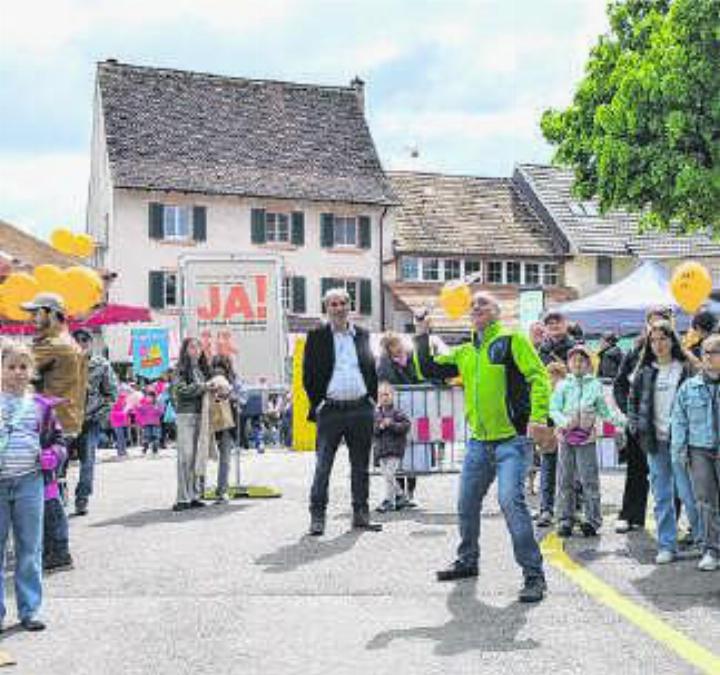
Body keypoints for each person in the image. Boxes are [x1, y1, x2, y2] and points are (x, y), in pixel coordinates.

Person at [416, 291, 551, 603]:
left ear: (497, 312)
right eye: (473, 304)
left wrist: (538, 417)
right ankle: (468, 560)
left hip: (512, 441)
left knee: (510, 502)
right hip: (479, 443)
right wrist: (422, 334)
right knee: (466, 502)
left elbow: (538, 377)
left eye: (483, 303)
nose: (476, 306)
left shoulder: (512, 341)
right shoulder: (465, 352)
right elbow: (428, 369)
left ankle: (534, 575)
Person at [303, 287, 380, 536]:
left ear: (349, 306)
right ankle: (317, 517)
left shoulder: (363, 335)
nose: (338, 308)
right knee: (323, 466)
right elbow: (308, 375)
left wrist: (371, 400)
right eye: (333, 304)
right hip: (331, 410)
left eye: (342, 303)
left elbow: (370, 368)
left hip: (361, 408)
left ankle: (361, 514)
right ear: (327, 309)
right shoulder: (316, 336)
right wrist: (318, 404)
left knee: (361, 467)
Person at [0, 342, 66, 631]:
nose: (17, 372)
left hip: (30, 481)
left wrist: (53, 455)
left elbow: (59, 442)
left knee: (29, 548)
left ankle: (29, 610)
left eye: (23, 367)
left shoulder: (41, 406)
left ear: (32, 371)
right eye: (11, 366)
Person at [20, 293, 86, 572]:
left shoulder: (54, 345)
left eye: (36, 312)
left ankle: (58, 550)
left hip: (50, 425)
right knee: (50, 486)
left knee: (45, 489)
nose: (32, 318)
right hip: (63, 422)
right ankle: (51, 547)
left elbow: (16, 364)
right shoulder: (65, 341)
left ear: (52, 313)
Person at [627, 320, 700, 564]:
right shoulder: (645, 372)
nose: (658, 344)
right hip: (654, 443)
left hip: (683, 443)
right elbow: (633, 403)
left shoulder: (687, 369)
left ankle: (705, 541)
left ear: (672, 340)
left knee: (689, 494)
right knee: (662, 496)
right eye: (653, 340)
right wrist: (636, 428)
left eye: (663, 339)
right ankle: (667, 545)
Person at [550, 344, 626, 537]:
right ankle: (565, 519)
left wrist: (624, 422)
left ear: (589, 364)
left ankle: (593, 520)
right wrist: (565, 422)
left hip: (587, 439)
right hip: (565, 438)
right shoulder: (562, 385)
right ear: (568, 363)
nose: (577, 363)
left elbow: (605, 412)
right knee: (565, 479)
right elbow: (554, 410)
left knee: (589, 480)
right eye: (574, 360)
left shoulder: (595, 386)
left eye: (582, 360)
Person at [612, 305, 674, 534]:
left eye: (662, 321)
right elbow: (620, 384)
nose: (656, 326)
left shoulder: (678, 354)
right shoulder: (634, 351)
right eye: (652, 322)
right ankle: (630, 515)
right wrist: (630, 414)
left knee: (671, 474)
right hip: (639, 424)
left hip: (668, 425)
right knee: (636, 471)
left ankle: (673, 520)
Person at [671, 333, 720, 571]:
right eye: (705, 352)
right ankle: (711, 550)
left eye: (714, 352)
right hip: (699, 450)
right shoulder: (689, 387)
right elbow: (679, 421)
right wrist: (679, 452)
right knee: (706, 501)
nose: (708, 357)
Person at [72, 328, 117, 515]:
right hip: (66, 420)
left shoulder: (102, 365)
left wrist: (100, 415)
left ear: (91, 343)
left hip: (90, 420)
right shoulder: (63, 363)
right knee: (58, 460)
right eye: (77, 340)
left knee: (87, 461)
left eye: (85, 340)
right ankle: (56, 494)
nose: (81, 343)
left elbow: (111, 394)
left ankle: (82, 498)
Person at [172, 337, 212, 511]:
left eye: (198, 347)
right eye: (192, 347)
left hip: (201, 416)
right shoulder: (180, 369)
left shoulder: (202, 370)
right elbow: (180, 390)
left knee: (198, 457)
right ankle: (182, 498)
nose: (196, 350)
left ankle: (195, 495)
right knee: (185, 456)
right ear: (185, 350)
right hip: (185, 416)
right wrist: (203, 387)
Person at [535, 361, 567, 527]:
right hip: (549, 440)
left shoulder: (568, 394)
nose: (553, 381)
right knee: (547, 474)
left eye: (556, 377)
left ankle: (570, 509)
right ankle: (546, 509)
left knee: (568, 477)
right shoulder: (544, 395)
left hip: (566, 440)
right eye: (550, 377)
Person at [373, 382, 411, 513]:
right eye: (382, 395)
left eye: (387, 395)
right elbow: (372, 430)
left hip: (395, 449)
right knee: (387, 476)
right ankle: (401, 495)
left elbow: (406, 425)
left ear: (392, 396)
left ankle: (388, 501)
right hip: (381, 450)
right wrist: (380, 426)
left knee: (389, 474)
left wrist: (392, 424)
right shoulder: (376, 413)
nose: (385, 398)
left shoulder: (397, 412)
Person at [209, 355, 238, 501]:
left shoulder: (207, 377)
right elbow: (238, 397)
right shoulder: (229, 379)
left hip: (208, 420)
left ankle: (197, 489)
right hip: (225, 422)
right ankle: (222, 490)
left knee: (202, 457)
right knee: (225, 458)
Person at [135, 389, 163, 454]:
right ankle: (145, 447)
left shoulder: (156, 405)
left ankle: (155, 448)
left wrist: (157, 409)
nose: (148, 399)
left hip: (155, 423)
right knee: (146, 436)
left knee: (155, 435)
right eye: (147, 397)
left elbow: (160, 412)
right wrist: (137, 406)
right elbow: (139, 410)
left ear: (153, 398)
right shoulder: (144, 405)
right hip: (146, 424)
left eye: (150, 397)